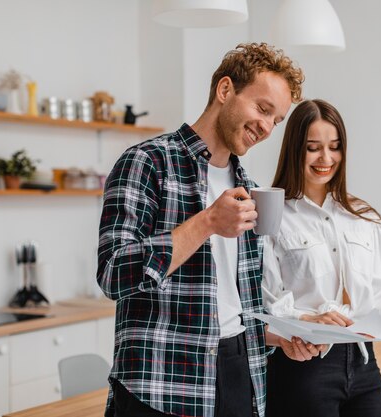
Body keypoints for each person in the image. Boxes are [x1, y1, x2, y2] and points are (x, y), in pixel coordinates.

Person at [97, 43, 318, 417]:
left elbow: (230, 305)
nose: (266, 127)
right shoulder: (148, 162)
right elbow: (112, 274)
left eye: (276, 120)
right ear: (225, 90)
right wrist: (206, 222)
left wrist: (271, 336)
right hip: (161, 382)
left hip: (238, 375)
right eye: (263, 109)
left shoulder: (249, 187)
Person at [261, 99, 381, 417]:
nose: (326, 158)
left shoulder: (363, 216)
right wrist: (305, 321)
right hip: (304, 369)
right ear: (295, 149)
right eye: (313, 147)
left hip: (364, 364)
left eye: (335, 147)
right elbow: (266, 301)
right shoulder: (273, 215)